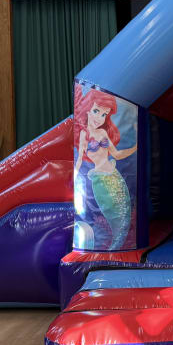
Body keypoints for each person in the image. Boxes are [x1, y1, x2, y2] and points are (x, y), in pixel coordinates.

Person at [74, 86, 137, 250]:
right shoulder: (84, 134)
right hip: (100, 180)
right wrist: (75, 176)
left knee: (124, 213)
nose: (99, 118)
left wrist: (135, 147)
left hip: (115, 175)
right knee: (113, 216)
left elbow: (116, 154)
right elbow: (79, 159)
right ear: (88, 109)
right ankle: (112, 248)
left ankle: (120, 246)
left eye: (104, 114)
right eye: (96, 111)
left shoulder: (102, 133)